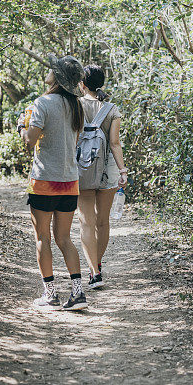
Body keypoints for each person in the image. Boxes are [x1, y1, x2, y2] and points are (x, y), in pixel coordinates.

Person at [17, 55, 88, 311]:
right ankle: (78, 293)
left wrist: (21, 126)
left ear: (57, 78)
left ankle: (50, 295)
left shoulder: (42, 103)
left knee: (42, 239)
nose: (47, 72)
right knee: (64, 239)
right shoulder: (76, 106)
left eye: (52, 70)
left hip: (45, 180)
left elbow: (29, 141)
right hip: (70, 182)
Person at [77, 64, 127, 289]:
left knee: (86, 222)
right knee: (102, 222)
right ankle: (97, 264)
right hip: (108, 169)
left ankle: (94, 272)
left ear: (82, 84)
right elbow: (115, 143)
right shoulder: (112, 109)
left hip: (83, 167)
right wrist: (123, 171)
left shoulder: (75, 106)